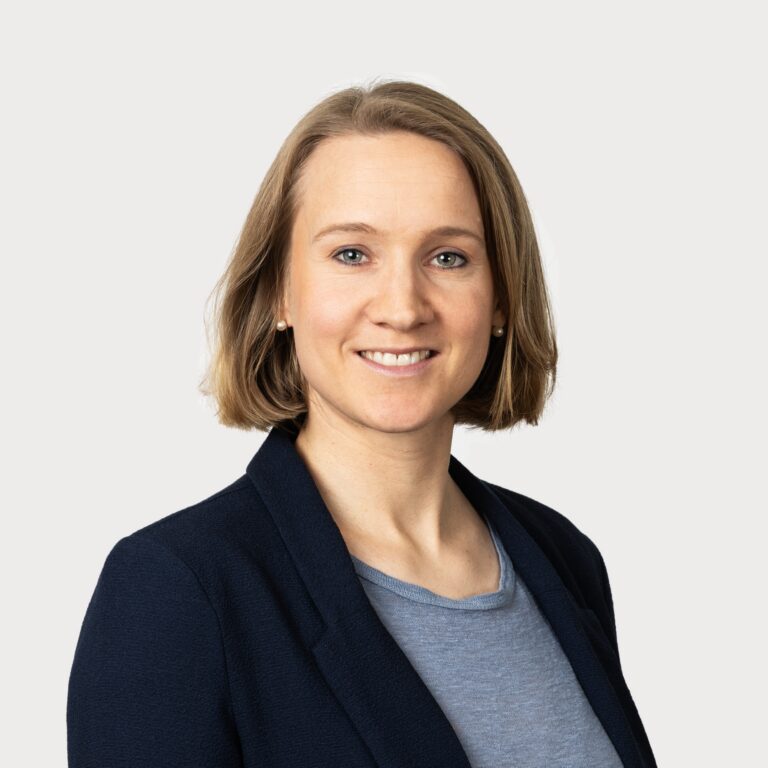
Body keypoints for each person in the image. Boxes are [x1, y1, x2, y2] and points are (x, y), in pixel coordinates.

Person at [67, 80, 658, 768]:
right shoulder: (177, 590)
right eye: (352, 254)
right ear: (281, 292)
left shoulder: (564, 559)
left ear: (501, 297)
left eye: (448, 257)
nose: (402, 308)